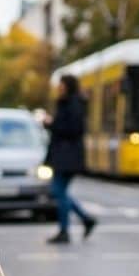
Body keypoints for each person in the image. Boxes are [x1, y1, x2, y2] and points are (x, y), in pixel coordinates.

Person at [44, 73, 97, 244]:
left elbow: (73, 130)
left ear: (67, 86)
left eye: (61, 84)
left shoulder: (72, 104)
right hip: (65, 155)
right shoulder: (69, 103)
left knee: (58, 192)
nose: (59, 87)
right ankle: (85, 219)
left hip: (67, 156)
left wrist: (51, 124)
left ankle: (66, 230)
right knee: (60, 192)